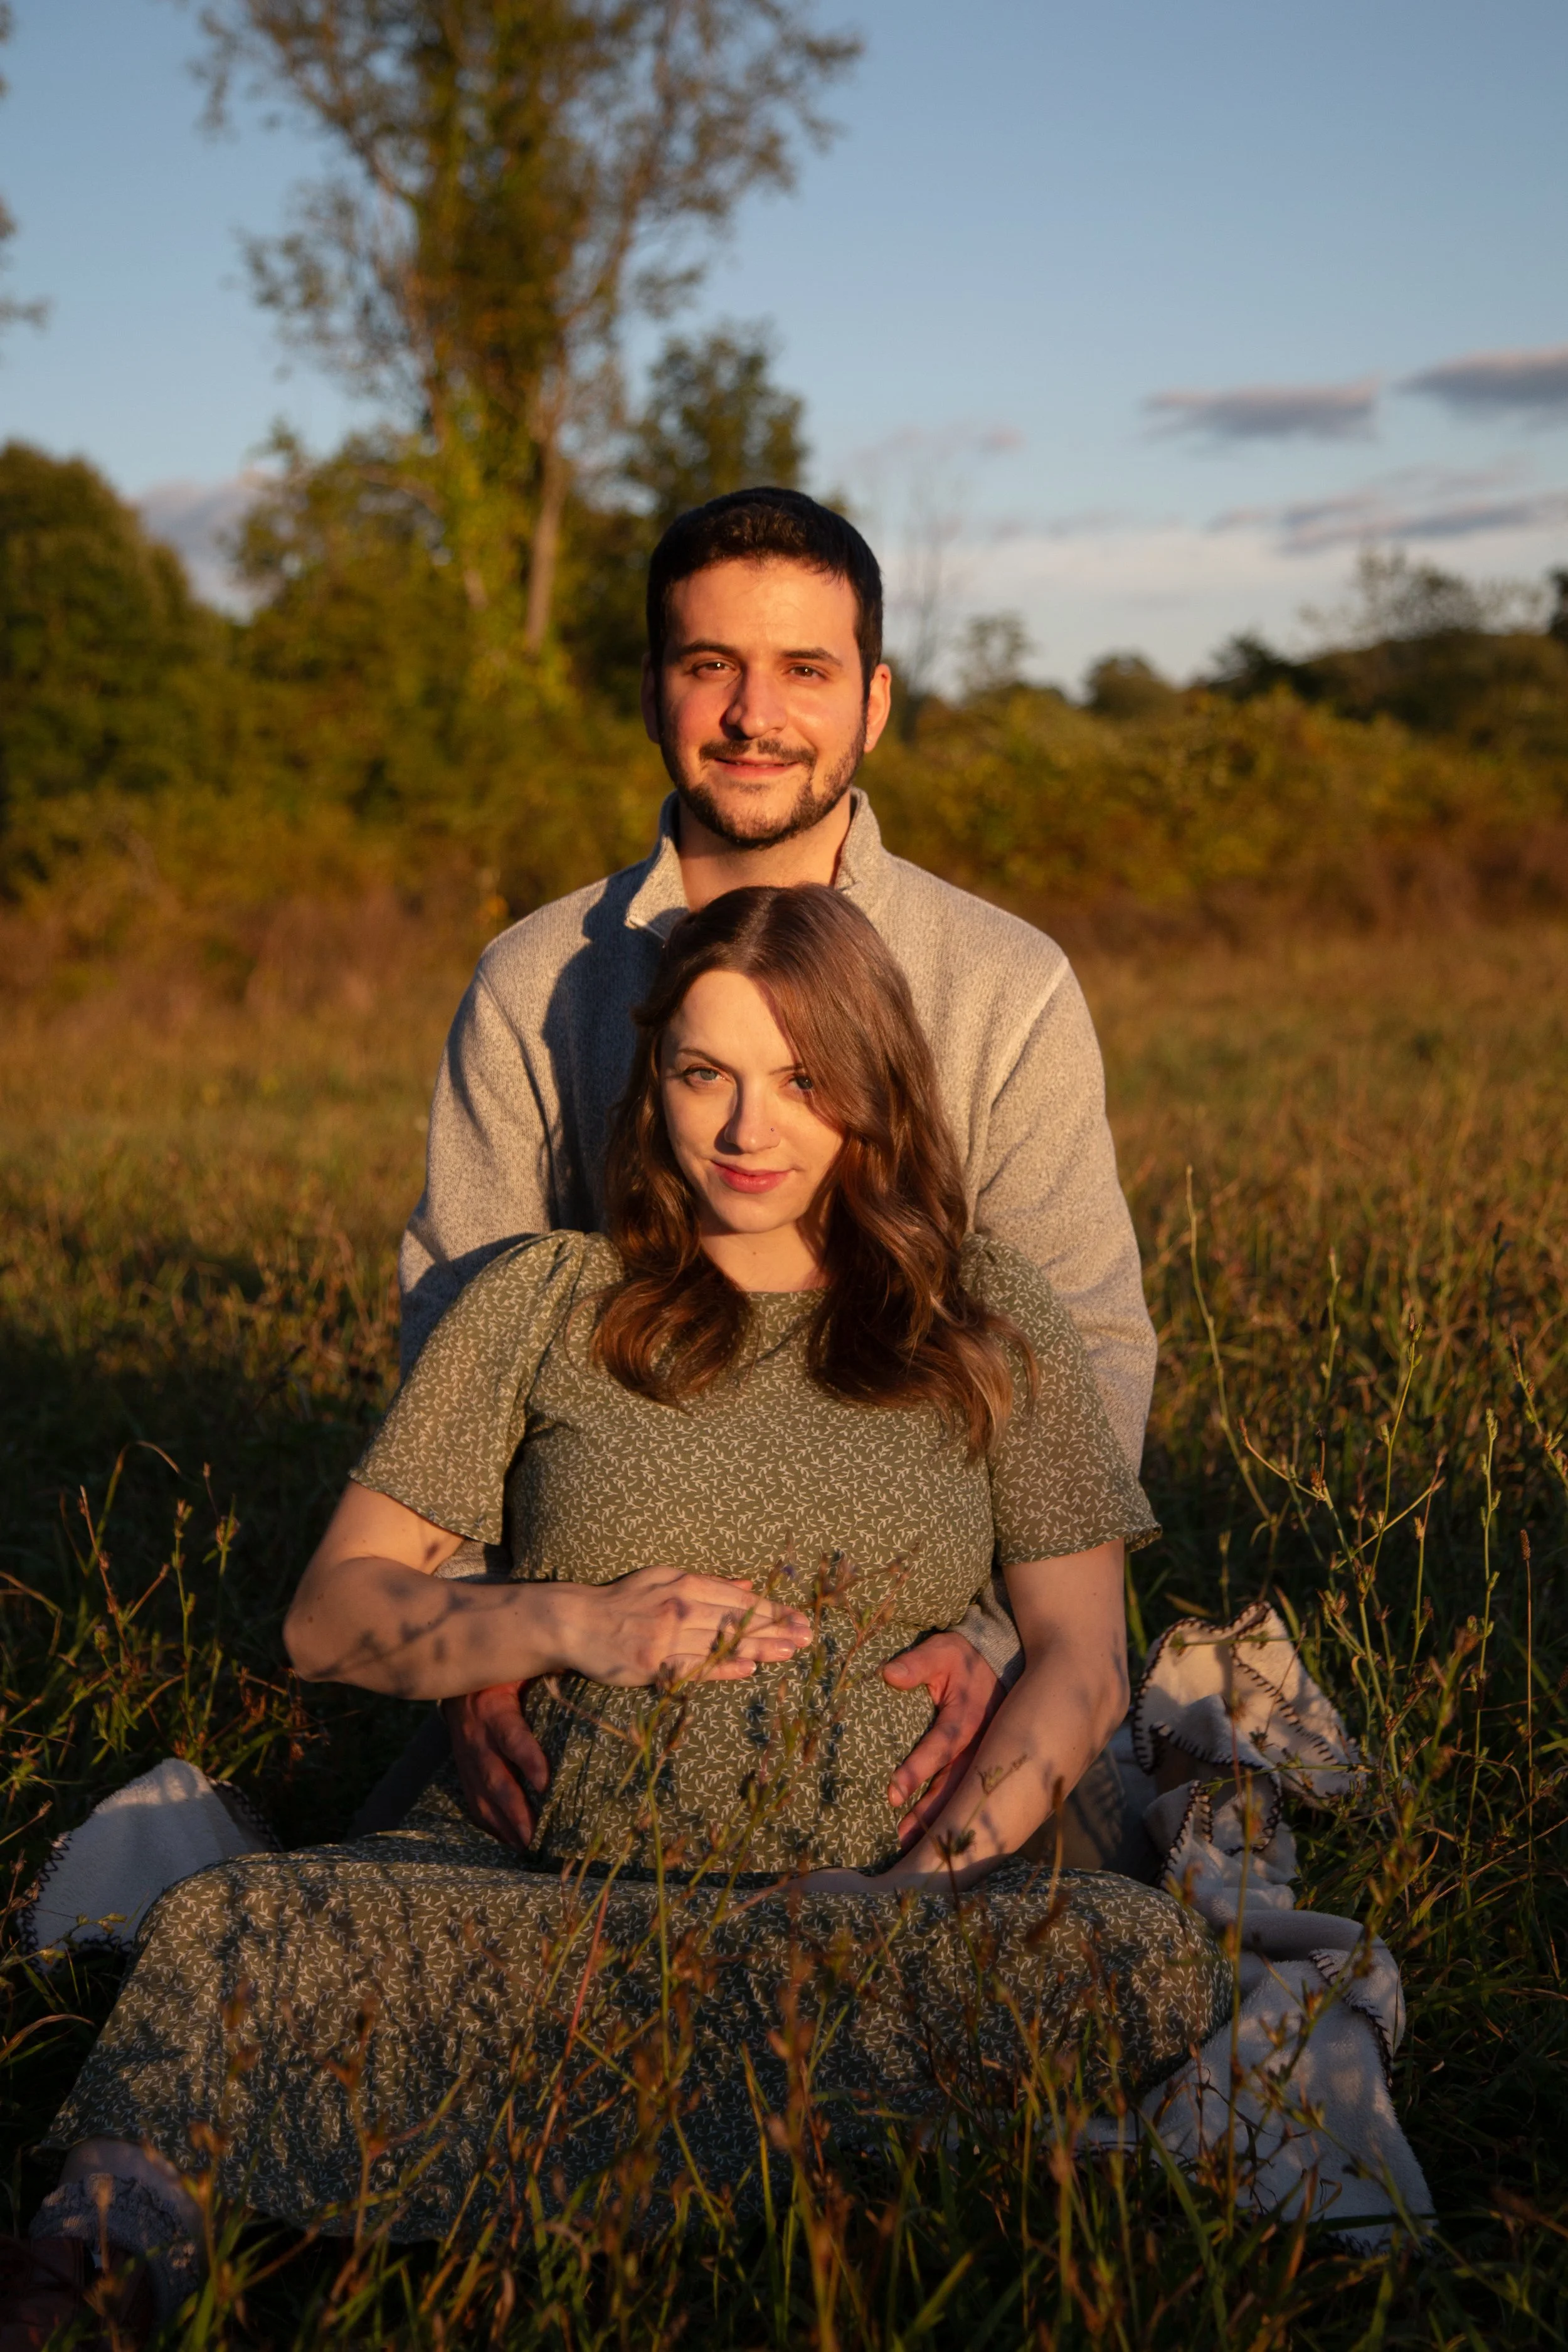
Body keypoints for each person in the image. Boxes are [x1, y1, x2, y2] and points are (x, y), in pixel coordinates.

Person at [10, 887, 1224, 2341]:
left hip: (851, 1910)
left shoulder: (981, 1315)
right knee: (234, 1930)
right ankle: (98, 2273)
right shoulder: (550, 1299)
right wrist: (576, 1625)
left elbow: (1080, 1663)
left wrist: (894, 1900)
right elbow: (329, 1621)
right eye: (703, 1074)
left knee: (1130, 1958)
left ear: (874, 1092)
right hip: (530, 1889)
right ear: (653, 1082)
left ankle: (576, 2114)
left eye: (799, 1080)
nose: (744, 1130)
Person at [394, 486, 1157, 1860]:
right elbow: (451, 1316)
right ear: (650, 693)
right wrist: (483, 1631)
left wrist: (989, 1639)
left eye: (802, 670)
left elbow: (1082, 1337)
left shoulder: (1001, 981)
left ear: (871, 702)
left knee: (1042, 2011)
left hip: (921, 1667)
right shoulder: (533, 981)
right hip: (588, 1650)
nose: (755, 713)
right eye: (710, 667)